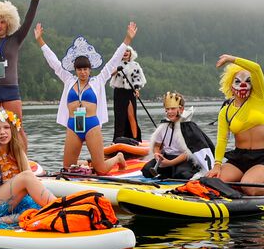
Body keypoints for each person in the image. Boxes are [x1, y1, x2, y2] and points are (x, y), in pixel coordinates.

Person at [36, 22, 138, 173]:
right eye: (79, 69)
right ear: (75, 70)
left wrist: (127, 39)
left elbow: (113, 61)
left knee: (101, 169)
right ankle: (86, 164)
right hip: (73, 126)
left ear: (90, 69)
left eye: (85, 69)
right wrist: (40, 41)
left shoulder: (98, 81)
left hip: (91, 125)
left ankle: (118, 158)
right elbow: (55, 64)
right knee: (67, 169)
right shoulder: (68, 80)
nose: (82, 72)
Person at [0, 109, 56, 244]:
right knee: (26, 177)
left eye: (6, 127)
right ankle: (60, 208)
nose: (2, 132)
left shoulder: (18, 151)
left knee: (35, 209)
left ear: (13, 129)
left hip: (11, 202)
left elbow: (31, 183)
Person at [210, 55, 264, 195]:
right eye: (238, 81)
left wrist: (231, 59)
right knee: (214, 183)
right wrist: (217, 165)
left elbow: (256, 69)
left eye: (248, 81)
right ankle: (239, 184)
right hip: (239, 158)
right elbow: (222, 140)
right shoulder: (225, 111)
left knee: (249, 186)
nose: (243, 84)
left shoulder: (259, 97)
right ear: (230, 84)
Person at [141, 92, 214, 180]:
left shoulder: (188, 127)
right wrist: (157, 154)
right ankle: (168, 172)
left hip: (184, 159)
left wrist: (170, 163)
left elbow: (188, 153)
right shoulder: (164, 126)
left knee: (182, 175)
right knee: (146, 170)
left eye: (173, 109)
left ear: (181, 109)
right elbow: (157, 145)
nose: (170, 112)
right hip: (167, 157)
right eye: (167, 109)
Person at [109, 47, 147, 145]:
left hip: (130, 92)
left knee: (131, 115)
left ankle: (135, 139)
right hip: (119, 92)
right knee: (119, 117)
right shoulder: (116, 63)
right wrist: (117, 69)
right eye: (123, 51)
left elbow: (137, 78)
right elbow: (109, 74)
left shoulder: (135, 65)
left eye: (127, 51)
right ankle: (117, 140)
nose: (125, 53)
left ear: (131, 53)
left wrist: (137, 89)